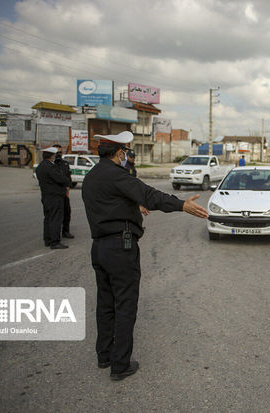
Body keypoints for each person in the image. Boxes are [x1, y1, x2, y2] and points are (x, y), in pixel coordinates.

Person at [81, 131, 208, 382]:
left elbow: (110, 203)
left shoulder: (92, 176)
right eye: (127, 151)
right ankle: (120, 364)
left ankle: (104, 354)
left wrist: (132, 205)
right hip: (121, 248)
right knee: (125, 304)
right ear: (119, 153)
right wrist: (181, 204)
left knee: (105, 303)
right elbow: (150, 195)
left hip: (100, 247)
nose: (128, 155)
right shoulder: (117, 175)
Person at [36, 147, 72, 249]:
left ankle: (47, 239)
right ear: (52, 156)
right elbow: (61, 179)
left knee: (48, 218)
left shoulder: (40, 166)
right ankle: (55, 241)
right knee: (56, 218)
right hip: (55, 197)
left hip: (46, 196)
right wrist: (66, 181)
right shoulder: (50, 167)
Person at [52, 144, 74, 239]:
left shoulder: (65, 164)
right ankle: (54, 235)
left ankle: (66, 231)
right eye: (57, 153)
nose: (58, 154)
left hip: (65, 193)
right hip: (56, 194)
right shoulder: (51, 165)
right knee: (57, 215)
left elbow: (68, 177)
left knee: (67, 213)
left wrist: (68, 188)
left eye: (60, 152)